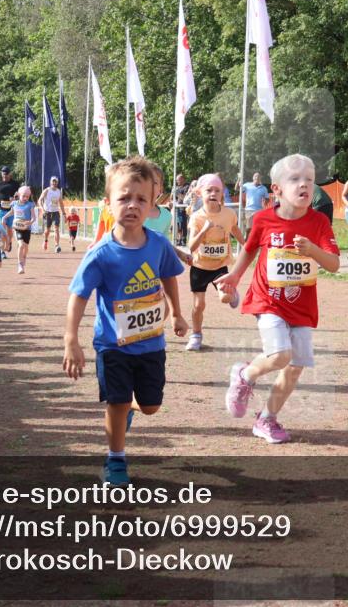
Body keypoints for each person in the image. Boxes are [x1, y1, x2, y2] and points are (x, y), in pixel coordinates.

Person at [63, 157, 188, 486]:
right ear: (107, 204)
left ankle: (129, 410)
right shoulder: (101, 253)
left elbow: (169, 276)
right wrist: (71, 340)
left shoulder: (159, 245)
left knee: (150, 406)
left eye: (141, 199)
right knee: (117, 401)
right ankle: (115, 460)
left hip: (150, 344)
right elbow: (79, 295)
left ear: (152, 206)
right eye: (123, 198)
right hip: (112, 345)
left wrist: (176, 312)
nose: (132, 205)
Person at [215, 154, 340, 444]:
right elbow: (249, 250)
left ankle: (266, 419)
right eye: (295, 179)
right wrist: (234, 277)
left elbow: (333, 264)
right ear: (277, 190)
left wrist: (312, 251)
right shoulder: (263, 219)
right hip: (267, 300)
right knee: (280, 356)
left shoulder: (319, 222)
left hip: (302, 305)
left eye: (309, 179)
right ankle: (245, 375)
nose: (304, 185)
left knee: (295, 367)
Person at [185, 173, 243, 351]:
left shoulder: (229, 214)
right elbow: (192, 246)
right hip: (200, 267)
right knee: (198, 305)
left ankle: (232, 294)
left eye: (217, 190)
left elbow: (235, 230)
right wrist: (203, 230)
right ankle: (196, 335)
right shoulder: (196, 217)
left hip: (219, 266)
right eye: (209, 190)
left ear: (221, 195)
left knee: (225, 298)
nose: (213, 193)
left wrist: (247, 245)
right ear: (200, 193)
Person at [1, 185, 37, 274]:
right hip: (17, 228)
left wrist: (30, 222)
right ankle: (20, 265)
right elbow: (12, 212)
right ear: (19, 194)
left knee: (26, 247)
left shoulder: (30, 205)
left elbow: (33, 217)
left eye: (27, 196)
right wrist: (4, 217)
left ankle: (24, 257)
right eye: (23, 196)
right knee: (20, 245)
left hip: (27, 229)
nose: (25, 198)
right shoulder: (14, 204)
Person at [38, 176, 66, 253]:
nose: (54, 183)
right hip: (47, 212)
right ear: (50, 182)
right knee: (47, 230)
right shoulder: (46, 190)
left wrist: (64, 214)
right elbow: (39, 200)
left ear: (57, 183)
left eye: (55, 182)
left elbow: (61, 203)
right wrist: (42, 209)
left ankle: (57, 245)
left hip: (56, 212)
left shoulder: (58, 191)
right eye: (53, 181)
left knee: (56, 229)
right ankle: (45, 241)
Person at [172, 173, 190, 245]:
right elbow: (173, 198)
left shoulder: (187, 187)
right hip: (177, 208)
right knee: (178, 225)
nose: (177, 182)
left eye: (178, 180)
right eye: (176, 180)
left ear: (182, 179)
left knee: (183, 224)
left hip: (184, 208)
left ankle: (184, 239)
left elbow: (185, 199)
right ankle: (179, 239)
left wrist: (177, 194)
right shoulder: (177, 188)